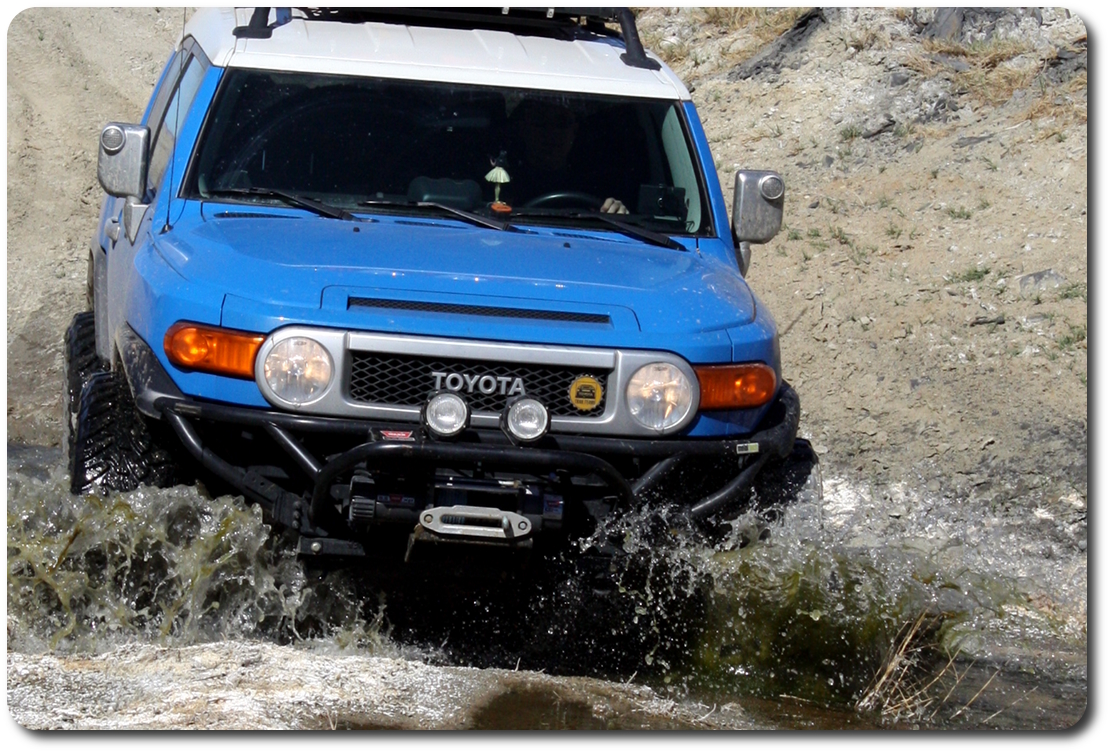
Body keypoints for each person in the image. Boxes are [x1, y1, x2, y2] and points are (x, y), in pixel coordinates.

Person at [505, 99, 628, 214]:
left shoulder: (597, 184)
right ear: (523, 129)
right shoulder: (502, 180)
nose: (551, 133)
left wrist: (617, 212)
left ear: (574, 131)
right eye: (540, 123)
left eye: (561, 124)